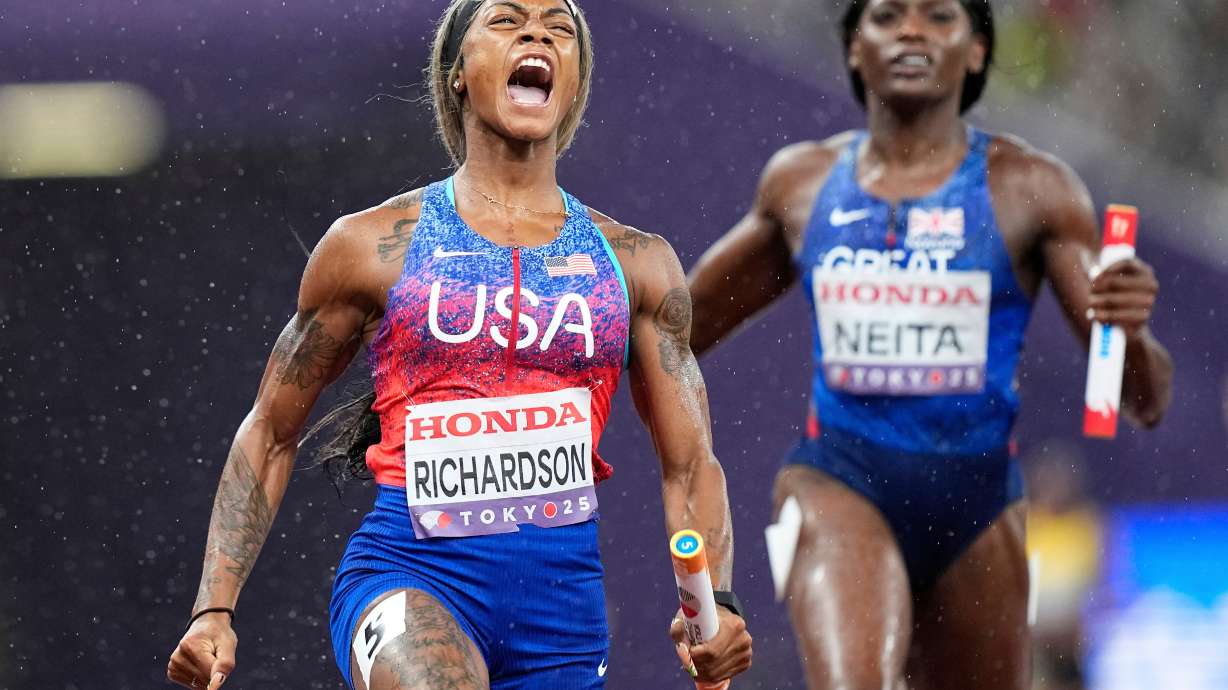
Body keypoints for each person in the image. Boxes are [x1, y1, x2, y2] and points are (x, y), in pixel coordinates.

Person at [166, 1, 752, 688]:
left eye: (559, 28)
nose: (538, 32)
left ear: (573, 84)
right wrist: (214, 607)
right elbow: (269, 431)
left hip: (561, 614)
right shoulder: (373, 246)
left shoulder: (638, 265)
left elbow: (690, 464)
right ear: (456, 74)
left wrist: (716, 603)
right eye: (507, 20)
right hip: (410, 578)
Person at [686, 1, 1171, 688]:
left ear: (976, 50)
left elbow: (1141, 399)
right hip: (838, 483)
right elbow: (676, 329)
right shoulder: (802, 184)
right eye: (887, 16)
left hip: (978, 507)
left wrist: (1130, 331)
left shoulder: (1032, 189)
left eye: (939, 16)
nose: (912, 31)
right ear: (855, 47)